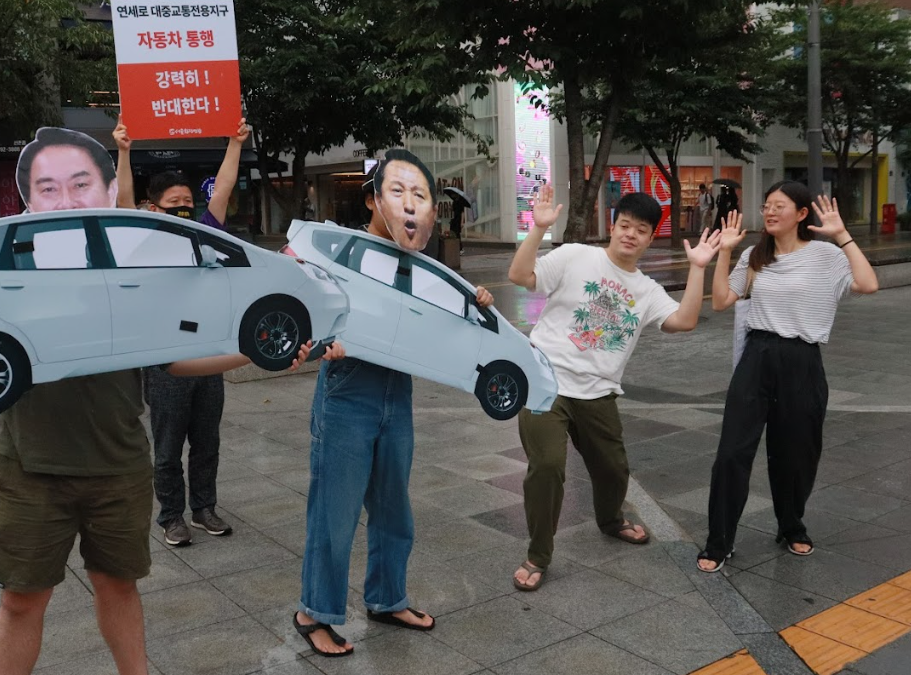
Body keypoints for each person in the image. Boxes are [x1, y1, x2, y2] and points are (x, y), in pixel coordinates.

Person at [0, 126, 327, 675]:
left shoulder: (129, 264)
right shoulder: (13, 262)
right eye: (49, 187)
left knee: (119, 589)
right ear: (30, 196)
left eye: (81, 183)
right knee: (22, 601)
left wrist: (259, 353)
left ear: (103, 190)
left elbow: (174, 357)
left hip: (117, 463)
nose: (67, 197)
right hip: (31, 467)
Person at [292, 149, 495, 657]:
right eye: (398, 192)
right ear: (372, 199)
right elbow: (303, 301)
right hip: (346, 394)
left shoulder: (419, 264)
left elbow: (445, 324)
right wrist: (321, 340)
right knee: (334, 512)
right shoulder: (341, 249)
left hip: (396, 394)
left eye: (420, 196)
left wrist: (477, 303)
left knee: (392, 509)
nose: (410, 205)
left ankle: (386, 597)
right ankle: (313, 611)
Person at [506, 186, 722, 592]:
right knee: (548, 466)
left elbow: (685, 321)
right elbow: (520, 276)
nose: (630, 234)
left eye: (641, 230)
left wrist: (698, 268)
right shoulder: (575, 255)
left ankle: (610, 519)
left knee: (614, 469)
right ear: (612, 224)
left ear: (650, 237)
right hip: (543, 382)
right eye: (625, 225)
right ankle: (538, 553)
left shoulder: (646, 290)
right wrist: (536, 230)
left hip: (598, 392)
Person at [696, 182, 878, 574]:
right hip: (757, 357)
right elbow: (723, 300)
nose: (770, 211)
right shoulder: (755, 256)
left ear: (800, 214)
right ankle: (719, 541)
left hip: (803, 360)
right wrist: (725, 251)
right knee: (731, 452)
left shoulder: (825, 255)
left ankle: (791, 524)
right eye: (766, 205)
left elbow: (868, 283)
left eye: (779, 206)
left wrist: (843, 234)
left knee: (796, 454)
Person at [113, 117, 250, 546]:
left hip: (208, 355)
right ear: (154, 207)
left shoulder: (206, 233)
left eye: (188, 200)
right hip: (165, 360)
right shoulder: (141, 242)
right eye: (174, 202)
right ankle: (171, 516)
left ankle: (204, 508)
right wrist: (123, 151)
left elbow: (223, 188)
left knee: (207, 441)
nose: (184, 208)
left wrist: (234, 142)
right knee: (168, 446)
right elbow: (121, 204)